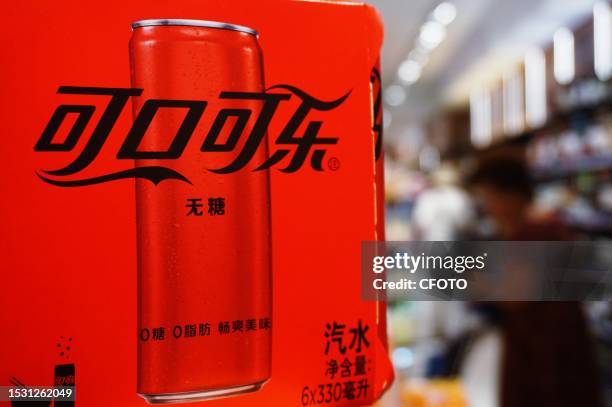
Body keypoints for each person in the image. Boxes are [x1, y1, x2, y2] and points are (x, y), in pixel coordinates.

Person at [464, 154, 603, 407]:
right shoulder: (542, 227)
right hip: (551, 357)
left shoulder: (534, 233)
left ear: (510, 195)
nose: (487, 206)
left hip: (546, 364)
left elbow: (513, 298)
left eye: (489, 196)